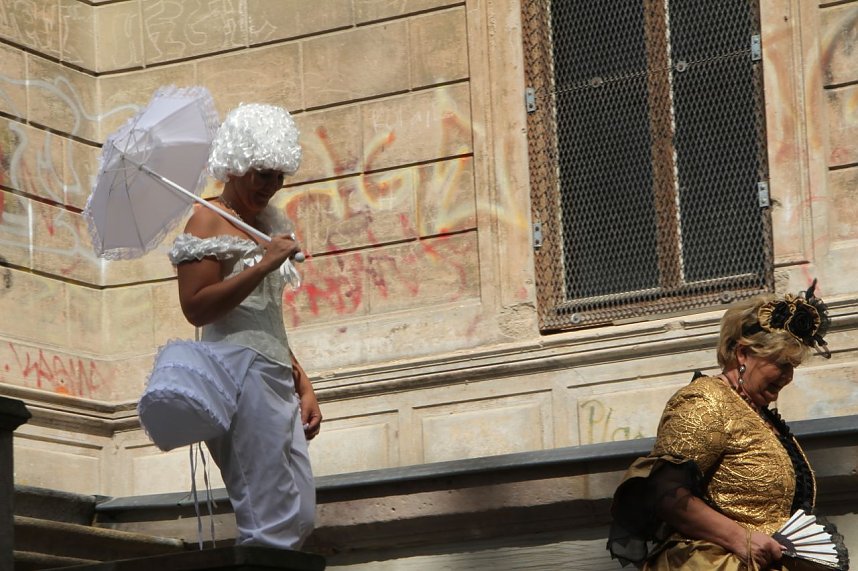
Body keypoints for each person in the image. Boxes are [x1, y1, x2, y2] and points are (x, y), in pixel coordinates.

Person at [165, 102, 320, 549]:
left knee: (299, 510)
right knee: (267, 515)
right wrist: (262, 266)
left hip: (274, 372)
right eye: (261, 173)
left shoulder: (267, 224)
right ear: (235, 166)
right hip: (239, 372)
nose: (270, 186)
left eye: (278, 176)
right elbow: (195, 307)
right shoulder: (207, 218)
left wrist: (303, 383)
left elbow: (264, 317)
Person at [607, 282, 847, 570]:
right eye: (781, 363)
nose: (788, 376)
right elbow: (664, 491)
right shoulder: (705, 400)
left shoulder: (761, 416)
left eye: (792, 367)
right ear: (743, 354)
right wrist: (741, 539)